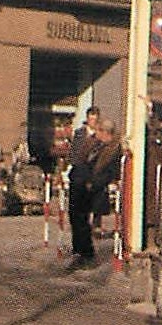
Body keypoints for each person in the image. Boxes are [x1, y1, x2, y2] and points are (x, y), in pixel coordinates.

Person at [66, 105, 100, 268]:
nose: (92, 122)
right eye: (91, 119)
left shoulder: (100, 138)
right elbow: (72, 155)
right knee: (73, 214)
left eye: (95, 119)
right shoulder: (79, 134)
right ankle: (77, 249)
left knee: (84, 216)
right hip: (76, 177)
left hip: (89, 180)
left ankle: (86, 251)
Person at [88, 121, 123, 228]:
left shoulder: (114, 149)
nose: (96, 134)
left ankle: (96, 221)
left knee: (97, 189)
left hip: (105, 180)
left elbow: (111, 169)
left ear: (106, 132)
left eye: (99, 131)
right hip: (96, 178)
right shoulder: (99, 146)